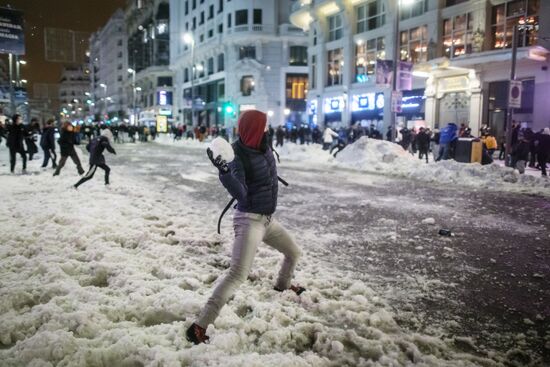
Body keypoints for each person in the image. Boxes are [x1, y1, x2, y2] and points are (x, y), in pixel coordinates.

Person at [187, 110, 304, 345]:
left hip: (268, 219)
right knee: (237, 274)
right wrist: (225, 173)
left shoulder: (264, 145)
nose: (267, 129)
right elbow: (240, 193)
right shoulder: (236, 154)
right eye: (264, 126)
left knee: (293, 253)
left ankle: (282, 285)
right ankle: (199, 326)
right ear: (253, 128)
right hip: (249, 220)